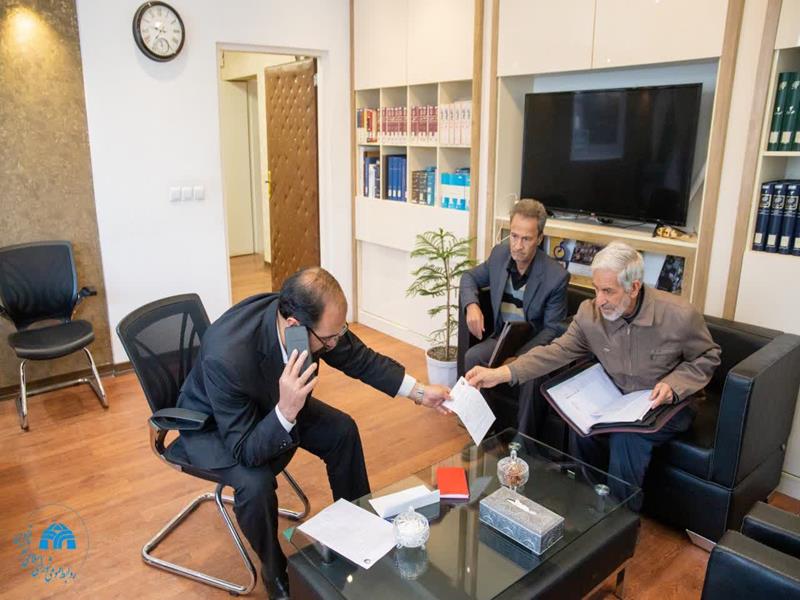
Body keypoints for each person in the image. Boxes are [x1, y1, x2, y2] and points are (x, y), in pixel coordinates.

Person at [177, 267, 451, 599]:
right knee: (255, 484)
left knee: (342, 430)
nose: (335, 343)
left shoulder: (306, 322)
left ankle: (359, 530)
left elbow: (360, 358)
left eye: (340, 332)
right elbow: (245, 449)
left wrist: (420, 393)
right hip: (216, 427)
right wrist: (285, 411)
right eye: (330, 338)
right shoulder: (227, 356)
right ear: (294, 326)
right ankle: (275, 570)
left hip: (275, 400)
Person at [466, 241, 721, 511]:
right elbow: (556, 351)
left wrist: (673, 385)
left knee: (627, 437)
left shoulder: (679, 315)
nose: (599, 300)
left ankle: (620, 516)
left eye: (608, 291)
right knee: (583, 427)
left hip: (667, 402)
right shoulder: (590, 314)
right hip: (618, 397)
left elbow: (708, 356)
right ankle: (590, 503)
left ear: (634, 287)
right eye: (596, 289)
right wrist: (500, 374)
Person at [460, 198, 569, 437]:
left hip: (534, 347)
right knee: (473, 357)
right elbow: (469, 277)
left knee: (531, 377)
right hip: (503, 338)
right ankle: (483, 433)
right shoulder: (499, 255)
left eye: (526, 239)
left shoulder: (556, 276)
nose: (518, 245)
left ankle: (523, 443)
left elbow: (552, 330)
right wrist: (472, 305)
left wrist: (519, 359)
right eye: (514, 236)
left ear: (539, 238)